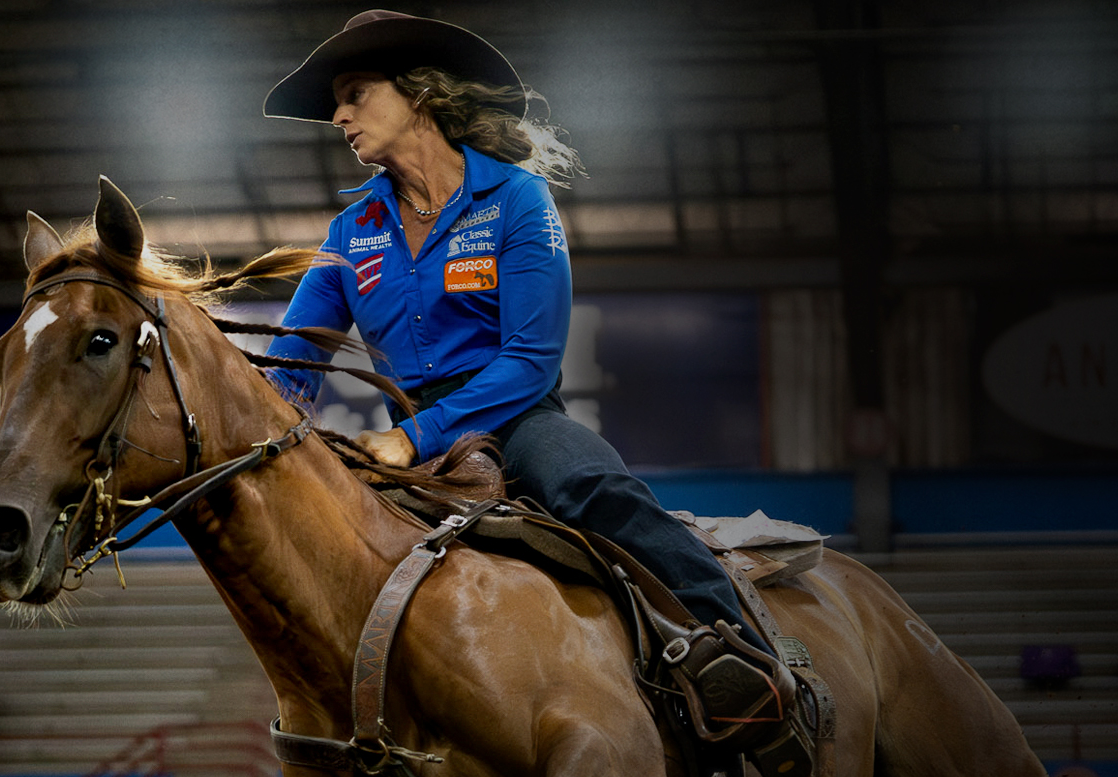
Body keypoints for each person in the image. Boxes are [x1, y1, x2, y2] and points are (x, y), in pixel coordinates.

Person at [261, 10, 783, 718]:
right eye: (336, 105)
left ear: (417, 93)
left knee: (594, 485)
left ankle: (747, 658)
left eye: (354, 94)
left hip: (515, 415)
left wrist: (412, 438)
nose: (339, 117)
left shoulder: (515, 200)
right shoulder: (350, 233)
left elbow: (531, 362)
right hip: (402, 435)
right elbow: (291, 364)